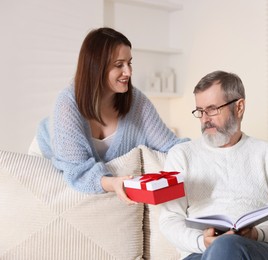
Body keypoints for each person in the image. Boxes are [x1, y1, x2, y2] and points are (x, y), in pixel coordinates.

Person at [159, 70, 268, 259]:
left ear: (239, 107)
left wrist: (258, 233)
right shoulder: (181, 155)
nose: (205, 119)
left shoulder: (267, 153)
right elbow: (170, 219)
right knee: (222, 248)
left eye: (212, 109)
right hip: (200, 253)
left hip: (259, 250)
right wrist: (201, 242)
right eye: (200, 111)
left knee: (227, 246)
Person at [34, 27, 188, 204]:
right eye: (119, 65)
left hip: (99, 176)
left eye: (129, 63)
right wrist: (112, 182)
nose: (128, 72)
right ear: (96, 67)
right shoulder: (67, 104)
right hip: (52, 160)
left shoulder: (136, 101)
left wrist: (204, 151)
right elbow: (76, 171)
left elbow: (170, 145)